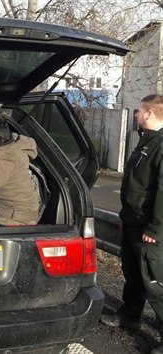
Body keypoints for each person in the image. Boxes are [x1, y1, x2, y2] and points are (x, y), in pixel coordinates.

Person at [100, 94, 163, 354]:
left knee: (155, 283)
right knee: (133, 275)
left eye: (138, 111)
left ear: (148, 113)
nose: (135, 115)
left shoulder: (160, 145)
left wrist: (155, 229)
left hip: (151, 230)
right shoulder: (145, 141)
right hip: (133, 222)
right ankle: (130, 317)